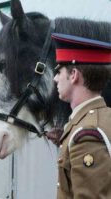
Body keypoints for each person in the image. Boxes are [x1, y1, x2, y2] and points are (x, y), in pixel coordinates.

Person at [52, 33, 111, 199]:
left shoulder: (87, 134)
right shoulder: (101, 118)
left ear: (74, 75)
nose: (55, 78)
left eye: (59, 71)